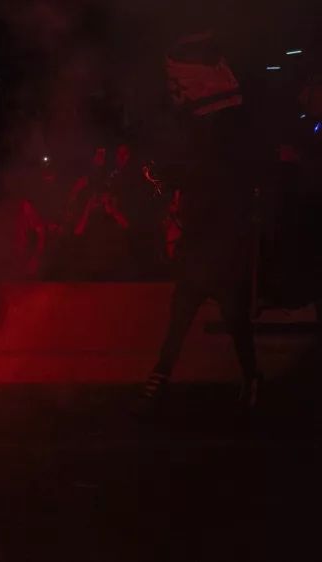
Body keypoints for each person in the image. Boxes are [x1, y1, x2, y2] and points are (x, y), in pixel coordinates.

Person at [137, 31, 262, 413]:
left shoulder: (223, 134)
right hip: (201, 236)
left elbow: (217, 180)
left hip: (221, 239)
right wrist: (165, 180)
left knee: (233, 314)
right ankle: (159, 381)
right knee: (184, 313)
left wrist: (167, 179)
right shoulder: (204, 131)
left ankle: (251, 380)